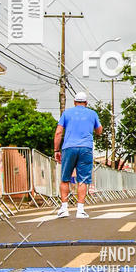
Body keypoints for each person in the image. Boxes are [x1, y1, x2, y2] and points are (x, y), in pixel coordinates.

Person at [54, 91, 102, 219]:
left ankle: (64, 208)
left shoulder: (66, 113)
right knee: (83, 179)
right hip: (86, 148)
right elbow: (99, 131)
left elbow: (58, 132)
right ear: (86, 103)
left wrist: (56, 150)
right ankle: (80, 210)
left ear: (75, 102)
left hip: (68, 148)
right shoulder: (92, 114)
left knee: (65, 178)